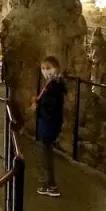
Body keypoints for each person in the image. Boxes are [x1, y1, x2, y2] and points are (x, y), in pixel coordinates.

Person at [35, 55, 66, 197]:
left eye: (48, 68)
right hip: (49, 123)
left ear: (56, 68)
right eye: (43, 68)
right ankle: (49, 183)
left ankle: (49, 185)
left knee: (46, 155)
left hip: (49, 124)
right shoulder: (52, 84)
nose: (45, 71)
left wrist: (38, 106)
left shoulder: (54, 86)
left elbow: (51, 107)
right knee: (46, 153)